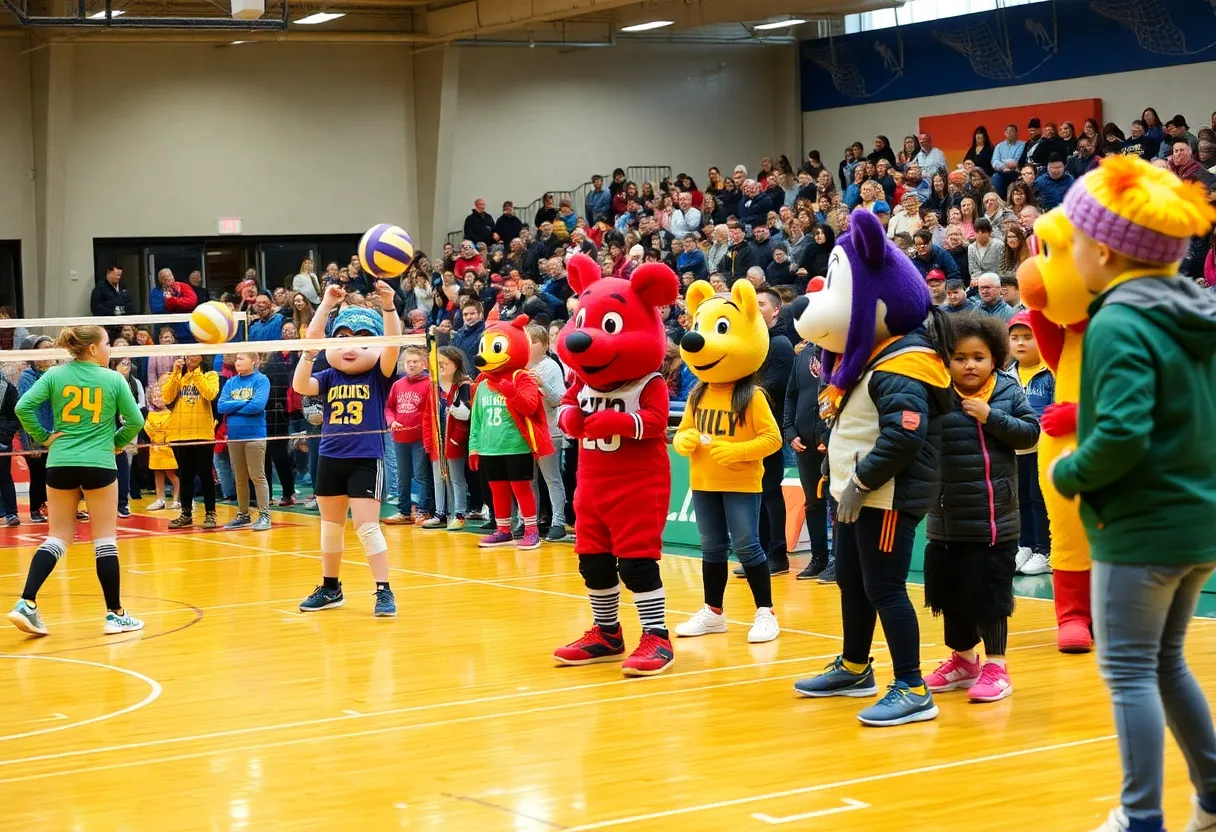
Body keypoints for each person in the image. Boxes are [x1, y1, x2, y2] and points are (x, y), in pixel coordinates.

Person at [1042, 156, 1216, 832]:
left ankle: (1141, 816)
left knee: (1130, 673)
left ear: (1105, 251)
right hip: (1197, 525)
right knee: (1166, 663)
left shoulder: (1118, 321)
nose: (1073, 254)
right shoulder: (1196, 313)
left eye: (1075, 241)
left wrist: (1068, 472)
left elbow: (1120, 435)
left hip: (1141, 529)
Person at [923, 314, 1039, 704]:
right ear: (947, 360)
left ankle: (997, 666)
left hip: (994, 519)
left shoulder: (1006, 391)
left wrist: (992, 417)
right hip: (945, 516)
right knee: (950, 592)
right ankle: (964, 661)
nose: (969, 365)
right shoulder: (934, 391)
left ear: (995, 360)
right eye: (959, 357)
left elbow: (1030, 433)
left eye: (979, 357)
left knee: (990, 594)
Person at [7, 325, 145, 637]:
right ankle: (116, 614)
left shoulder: (55, 375)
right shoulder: (112, 379)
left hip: (60, 463)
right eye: (107, 343)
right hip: (98, 463)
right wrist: (117, 442)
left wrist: (44, 437)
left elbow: (22, 407)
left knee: (57, 537)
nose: (111, 348)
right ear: (93, 349)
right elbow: (136, 419)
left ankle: (26, 602)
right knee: (105, 539)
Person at [673, 280, 783, 644]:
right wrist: (683, 439)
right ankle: (713, 612)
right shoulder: (698, 392)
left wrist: (738, 451)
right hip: (703, 481)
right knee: (712, 549)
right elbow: (685, 433)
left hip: (740, 483)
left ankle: (766, 613)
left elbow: (772, 439)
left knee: (749, 546)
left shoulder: (752, 395)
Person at [293, 282, 401, 617]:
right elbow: (300, 385)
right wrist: (325, 307)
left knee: (367, 527)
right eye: (341, 339)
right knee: (330, 527)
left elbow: (393, 344)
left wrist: (388, 306)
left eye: (361, 340)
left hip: (366, 459)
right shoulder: (327, 377)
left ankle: (384, 591)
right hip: (330, 457)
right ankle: (330, 587)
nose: (350, 347)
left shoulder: (377, 377)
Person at [1007, 311, 1053, 576]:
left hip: (1042, 448)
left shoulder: (1050, 373)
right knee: (1020, 498)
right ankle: (1024, 544)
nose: (1020, 343)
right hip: (1016, 448)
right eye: (1015, 338)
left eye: (1028, 337)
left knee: (1039, 499)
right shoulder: (1006, 375)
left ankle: (1044, 550)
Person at [785, 335, 832, 581]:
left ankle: (840, 560)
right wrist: (789, 430)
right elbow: (791, 394)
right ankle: (819, 558)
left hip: (834, 442)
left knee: (837, 504)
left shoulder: (843, 351)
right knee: (813, 503)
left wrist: (830, 434)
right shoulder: (803, 354)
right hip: (804, 442)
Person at [162, 353, 219, 529]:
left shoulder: (211, 375)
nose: (190, 358)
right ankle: (186, 513)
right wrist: (175, 373)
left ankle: (211, 513)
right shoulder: (179, 377)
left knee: (205, 474)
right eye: (188, 355)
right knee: (185, 475)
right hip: (180, 434)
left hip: (202, 433)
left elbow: (210, 394)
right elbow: (167, 397)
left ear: (203, 357)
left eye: (194, 355)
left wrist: (196, 373)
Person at [217, 352, 272, 531]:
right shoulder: (231, 382)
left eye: (241, 358)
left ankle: (265, 515)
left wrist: (234, 405)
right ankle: (243, 514)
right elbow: (220, 406)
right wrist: (244, 401)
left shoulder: (261, 380)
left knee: (257, 476)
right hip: (234, 436)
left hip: (255, 435)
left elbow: (258, 406)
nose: (237, 362)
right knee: (239, 478)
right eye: (236, 359)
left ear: (254, 361)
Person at [420, 346, 471, 531]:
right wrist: (429, 442)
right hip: (436, 442)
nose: (440, 366)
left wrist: (457, 437)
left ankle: (459, 514)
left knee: (456, 478)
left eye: (444, 363)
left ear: (455, 364)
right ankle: (440, 513)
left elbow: (467, 415)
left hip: (454, 442)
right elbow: (427, 417)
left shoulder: (464, 386)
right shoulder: (433, 387)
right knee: (438, 478)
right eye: (438, 363)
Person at [525, 325, 568, 541]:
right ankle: (529, 523)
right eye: (527, 341)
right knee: (529, 480)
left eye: (534, 341)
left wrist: (542, 385)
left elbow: (559, 399)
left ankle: (558, 522)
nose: (529, 345)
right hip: (525, 432)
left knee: (552, 479)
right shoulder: (520, 366)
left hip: (549, 431)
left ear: (545, 345)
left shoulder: (550, 367)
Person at [383, 345, 434, 525]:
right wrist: (392, 422)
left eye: (415, 362)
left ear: (424, 364)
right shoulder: (398, 384)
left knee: (421, 475)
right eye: (408, 362)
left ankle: (422, 510)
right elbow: (389, 408)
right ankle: (404, 511)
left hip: (420, 438)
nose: (411, 365)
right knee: (402, 476)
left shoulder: (429, 384)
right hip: (399, 438)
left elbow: (431, 411)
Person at [17, 335, 55, 523]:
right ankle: (35, 509)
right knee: (38, 474)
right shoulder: (27, 376)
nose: (49, 352)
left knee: (57, 474)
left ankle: (56, 508)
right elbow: (27, 407)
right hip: (35, 434)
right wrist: (31, 441)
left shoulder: (56, 373)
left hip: (57, 432)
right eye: (44, 348)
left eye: (51, 348)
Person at [144, 382, 180, 512]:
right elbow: (148, 429)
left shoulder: (171, 414)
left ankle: (177, 500)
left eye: (160, 395)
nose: (157, 399)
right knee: (157, 474)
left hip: (167, 448)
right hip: (155, 448)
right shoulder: (150, 414)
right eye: (154, 397)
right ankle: (160, 499)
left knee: (171, 474)